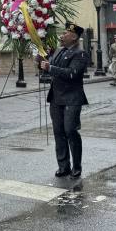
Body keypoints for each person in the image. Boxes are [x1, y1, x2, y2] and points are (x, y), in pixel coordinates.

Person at [37, 21, 88, 179]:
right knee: (58, 132)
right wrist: (41, 61)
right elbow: (49, 67)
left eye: (66, 33)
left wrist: (50, 68)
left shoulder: (80, 54)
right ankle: (63, 166)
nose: (62, 35)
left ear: (74, 37)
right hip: (56, 98)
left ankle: (76, 166)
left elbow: (71, 73)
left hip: (72, 98)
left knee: (70, 131)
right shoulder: (60, 50)